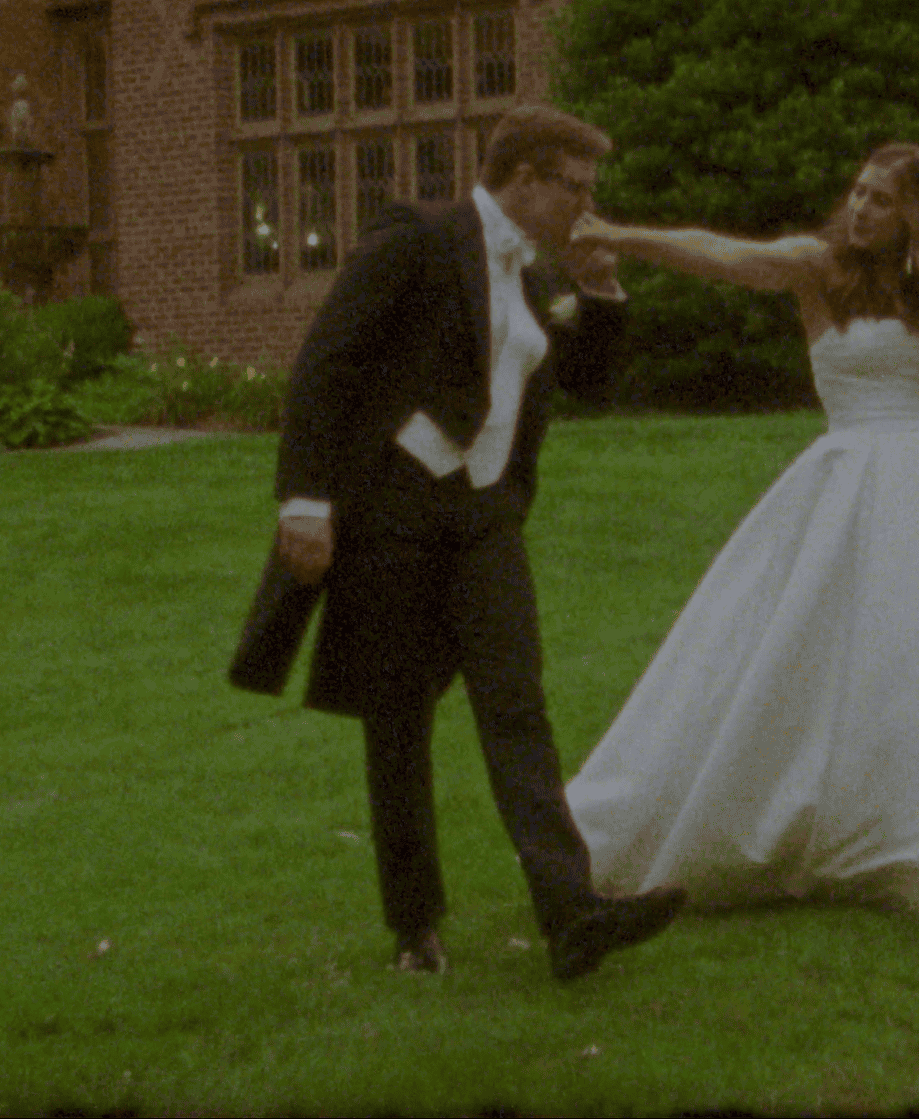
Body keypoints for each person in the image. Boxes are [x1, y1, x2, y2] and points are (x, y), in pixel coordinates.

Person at [563, 143, 919, 927]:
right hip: (842, 480)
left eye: (881, 200)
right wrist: (624, 237)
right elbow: (724, 254)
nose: (862, 208)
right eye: (859, 192)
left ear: (917, 214)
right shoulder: (816, 266)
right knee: (800, 656)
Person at [229, 104, 686, 980]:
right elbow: (328, 361)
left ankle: (572, 914)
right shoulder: (419, 236)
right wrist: (305, 501)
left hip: (484, 517)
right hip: (394, 512)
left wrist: (599, 290)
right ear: (524, 179)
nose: (588, 208)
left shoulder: (535, 274)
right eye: (576, 189)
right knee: (398, 719)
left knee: (516, 704)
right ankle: (414, 928)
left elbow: (588, 384)